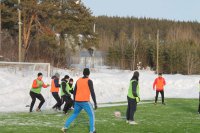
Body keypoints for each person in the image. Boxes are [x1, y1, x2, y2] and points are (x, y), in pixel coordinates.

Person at [61, 68, 97, 133]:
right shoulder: (89, 81)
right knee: (92, 115)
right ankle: (92, 130)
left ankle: (64, 127)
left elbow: (74, 92)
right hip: (85, 102)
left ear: (83, 73)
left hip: (77, 101)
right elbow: (92, 92)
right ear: (89, 73)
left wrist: (74, 101)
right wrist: (95, 103)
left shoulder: (78, 80)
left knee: (74, 114)